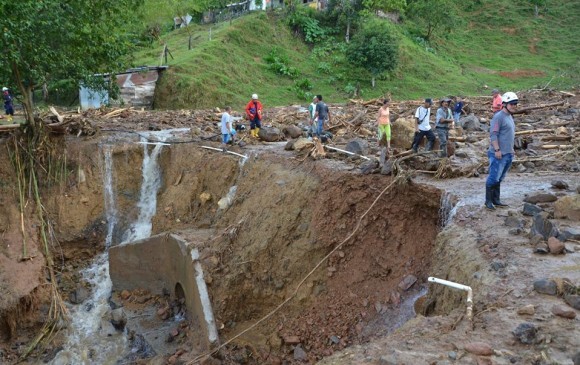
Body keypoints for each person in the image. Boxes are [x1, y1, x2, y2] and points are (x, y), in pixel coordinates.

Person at [484, 92, 518, 210]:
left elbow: (509, 135)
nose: (514, 106)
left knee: (500, 178)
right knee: (493, 177)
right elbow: (493, 134)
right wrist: (497, 149)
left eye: (516, 104)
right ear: (505, 104)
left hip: (508, 153)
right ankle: (488, 201)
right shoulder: (498, 117)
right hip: (498, 154)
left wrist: (511, 149)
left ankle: (496, 199)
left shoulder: (509, 116)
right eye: (512, 104)